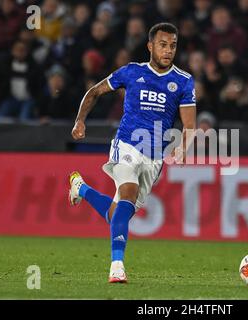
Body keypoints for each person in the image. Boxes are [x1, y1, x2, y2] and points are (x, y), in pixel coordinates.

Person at [68, 23, 196, 283]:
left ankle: (80, 188)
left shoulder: (183, 80)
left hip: (155, 156)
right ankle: (117, 266)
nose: (168, 50)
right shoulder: (131, 72)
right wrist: (80, 121)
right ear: (150, 46)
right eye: (162, 44)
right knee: (128, 190)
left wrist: (184, 147)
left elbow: (190, 124)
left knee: (118, 214)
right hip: (126, 144)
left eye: (173, 45)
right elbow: (94, 92)